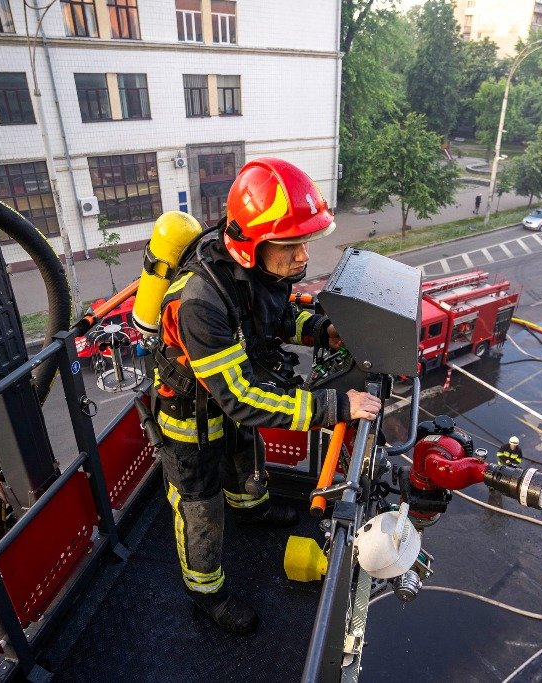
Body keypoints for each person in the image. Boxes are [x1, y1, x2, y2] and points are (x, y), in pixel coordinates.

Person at [151, 158, 381, 635]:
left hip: (224, 394)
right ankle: (205, 593)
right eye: (291, 245)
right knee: (200, 505)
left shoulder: (256, 271)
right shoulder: (201, 302)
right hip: (188, 412)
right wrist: (336, 407)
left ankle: (251, 511)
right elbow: (242, 399)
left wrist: (323, 331)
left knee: (244, 455)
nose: (303, 257)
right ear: (252, 245)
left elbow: (270, 321)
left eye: (305, 242)